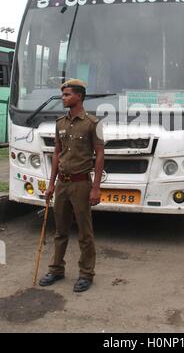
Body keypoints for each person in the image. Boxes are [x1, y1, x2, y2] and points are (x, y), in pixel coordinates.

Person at [39, 79, 104, 292]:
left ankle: (86, 273)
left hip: (81, 184)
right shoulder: (60, 123)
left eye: (67, 95)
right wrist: (51, 184)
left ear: (79, 96)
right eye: (63, 95)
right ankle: (56, 269)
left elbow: (100, 155)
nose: (64, 98)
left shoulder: (94, 123)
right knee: (60, 230)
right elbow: (57, 153)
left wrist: (95, 187)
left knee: (85, 232)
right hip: (62, 185)